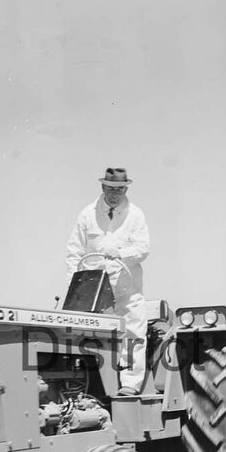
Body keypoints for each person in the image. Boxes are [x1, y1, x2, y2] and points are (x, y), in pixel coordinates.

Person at [65, 167, 150, 396]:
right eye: (111, 188)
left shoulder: (135, 215)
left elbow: (143, 249)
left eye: (120, 189)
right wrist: (74, 286)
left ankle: (130, 384)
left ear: (126, 188)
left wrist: (121, 253)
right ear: (103, 187)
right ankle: (84, 386)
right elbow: (74, 252)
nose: (115, 193)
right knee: (82, 332)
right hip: (92, 286)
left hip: (126, 285)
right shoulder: (87, 214)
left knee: (133, 329)